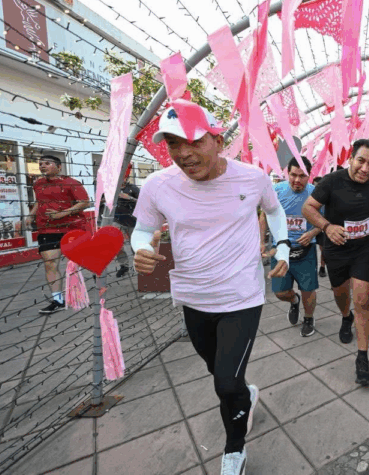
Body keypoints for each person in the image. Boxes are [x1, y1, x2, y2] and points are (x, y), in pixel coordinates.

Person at [132, 105, 290, 475]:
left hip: (242, 296)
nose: (183, 153)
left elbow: (276, 210)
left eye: (192, 141)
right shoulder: (158, 185)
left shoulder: (252, 178)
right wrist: (140, 248)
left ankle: (234, 449)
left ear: (218, 140)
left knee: (225, 381)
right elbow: (143, 229)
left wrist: (283, 246)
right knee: (217, 370)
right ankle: (245, 395)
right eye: (173, 144)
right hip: (193, 296)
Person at [302, 139, 369, 386]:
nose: (365, 168)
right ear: (350, 158)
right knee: (341, 295)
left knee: (363, 299)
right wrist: (326, 227)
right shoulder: (332, 182)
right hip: (337, 250)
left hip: (364, 250)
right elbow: (308, 208)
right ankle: (345, 317)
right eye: (361, 160)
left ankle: (362, 358)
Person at [259, 156, 320, 337]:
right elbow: (264, 216)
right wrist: (261, 241)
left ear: (309, 176)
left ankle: (308, 318)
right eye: (293, 175)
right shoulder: (276, 191)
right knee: (279, 292)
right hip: (280, 252)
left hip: (305, 251)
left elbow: (324, 221)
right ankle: (294, 301)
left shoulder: (315, 194)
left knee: (308, 289)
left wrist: (311, 233)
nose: (297, 180)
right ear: (287, 173)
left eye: (302, 176)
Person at [25, 155, 90, 314]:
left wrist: (62, 214)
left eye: (47, 163)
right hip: (47, 229)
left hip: (71, 228)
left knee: (73, 264)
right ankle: (58, 300)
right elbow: (40, 202)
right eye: (40, 164)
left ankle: (78, 292)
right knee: (50, 263)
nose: (42, 166)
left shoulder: (71, 183)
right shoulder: (38, 184)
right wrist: (31, 215)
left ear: (59, 167)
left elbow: (85, 202)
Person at [112, 169, 140, 278]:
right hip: (117, 220)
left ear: (126, 177)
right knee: (117, 244)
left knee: (135, 244)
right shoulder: (112, 189)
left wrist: (129, 198)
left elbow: (143, 201)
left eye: (122, 176)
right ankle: (124, 265)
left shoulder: (133, 188)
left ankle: (138, 264)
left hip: (133, 220)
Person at [312, 176, 327, 278]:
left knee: (323, 249)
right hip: (311, 227)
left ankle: (322, 267)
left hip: (322, 226)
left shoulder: (326, 195)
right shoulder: (309, 196)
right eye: (314, 185)